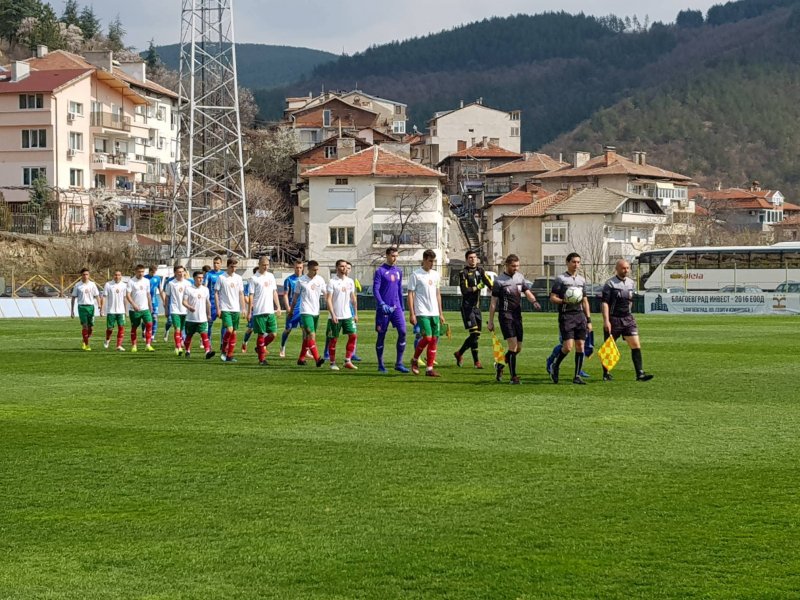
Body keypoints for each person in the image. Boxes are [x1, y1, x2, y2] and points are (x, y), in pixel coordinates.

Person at [487, 254, 541, 384]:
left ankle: (500, 365)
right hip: (505, 315)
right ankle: (513, 377)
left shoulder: (520, 277)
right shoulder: (499, 281)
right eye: (513, 266)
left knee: (518, 348)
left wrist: (534, 302)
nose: (516, 268)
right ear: (506, 265)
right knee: (513, 346)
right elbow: (493, 302)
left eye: (517, 266)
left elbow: (526, 291)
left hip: (517, 315)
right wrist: (490, 320)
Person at [601, 259, 654, 382]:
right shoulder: (610, 284)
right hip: (614, 318)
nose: (626, 270)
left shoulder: (631, 283)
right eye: (623, 268)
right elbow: (604, 303)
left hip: (628, 318)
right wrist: (606, 320)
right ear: (617, 269)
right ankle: (606, 373)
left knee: (636, 344)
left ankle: (640, 374)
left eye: (627, 268)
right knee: (609, 347)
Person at [549, 252, 593, 385]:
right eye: (573, 262)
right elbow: (552, 297)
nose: (576, 265)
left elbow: (585, 300)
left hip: (579, 316)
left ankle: (577, 376)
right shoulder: (560, 279)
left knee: (580, 346)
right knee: (568, 347)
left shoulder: (581, 280)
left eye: (578, 262)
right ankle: (555, 366)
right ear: (567, 263)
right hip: (566, 316)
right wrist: (564, 301)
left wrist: (589, 320)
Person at [408, 249, 446, 377]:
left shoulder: (435, 275)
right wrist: (412, 313)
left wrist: (440, 313)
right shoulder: (416, 275)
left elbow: (438, 294)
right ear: (424, 260)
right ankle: (414, 359)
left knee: (434, 339)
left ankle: (429, 369)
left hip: (434, 312)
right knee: (427, 337)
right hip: (422, 312)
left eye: (433, 261)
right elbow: (410, 294)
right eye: (430, 261)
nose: (432, 264)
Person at [454, 250, 494, 369]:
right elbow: (464, 290)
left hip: (476, 308)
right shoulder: (463, 272)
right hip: (467, 308)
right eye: (470, 258)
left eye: (475, 257)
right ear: (467, 259)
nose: (473, 259)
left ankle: (460, 353)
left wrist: (495, 289)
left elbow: (488, 281)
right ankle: (476, 361)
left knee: (476, 336)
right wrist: (478, 287)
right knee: (475, 332)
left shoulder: (480, 270)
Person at [373, 247, 410, 373]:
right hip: (383, 309)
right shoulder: (380, 271)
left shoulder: (398, 271)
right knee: (381, 335)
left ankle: (399, 363)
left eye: (396, 256)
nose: (395, 258)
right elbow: (376, 289)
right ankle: (380, 364)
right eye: (393, 256)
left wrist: (402, 307)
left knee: (403, 332)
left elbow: (399, 290)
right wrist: (382, 303)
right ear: (387, 256)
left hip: (396, 308)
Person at [288, 259, 326, 367]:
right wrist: (291, 310)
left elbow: (327, 294)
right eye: (314, 270)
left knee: (307, 337)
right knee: (311, 334)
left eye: (317, 270)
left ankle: (301, 359)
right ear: (308, 269)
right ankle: (317, 359)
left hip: (316, 312)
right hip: (305, 311)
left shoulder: (320, 280)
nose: (316, 272)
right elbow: (295, 297)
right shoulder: (301, 281)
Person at [325, 259, 359, 371]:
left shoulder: (350, 281)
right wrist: (333, 314)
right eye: (341, 266)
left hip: (347, 315)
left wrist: (355, 313)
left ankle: (347, 360)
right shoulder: (332, 282)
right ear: (337, 268)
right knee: (333, 339)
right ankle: (332, 362)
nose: (344, 268)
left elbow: (353, 298)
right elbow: (328, 299)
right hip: (336, 316)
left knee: (353, 335)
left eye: (345, 266)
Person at [248, 256, 282, 366]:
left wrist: (278, 306)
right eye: (263, 265)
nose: (266, 267)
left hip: (270, 310)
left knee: (273, 334)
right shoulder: (254, 278)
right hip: (259, 311)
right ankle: (262, 359)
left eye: (267, 265)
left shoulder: (271, 276)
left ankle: (260, 348)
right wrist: (249, 311)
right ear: (259, 265)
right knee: (261, 334)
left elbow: (274, 292)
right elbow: (251, 295)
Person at [215, 257, 247, 363]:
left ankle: (230, 355)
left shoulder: (238, 278)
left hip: (235, 309)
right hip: (225, 308)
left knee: (234, 332)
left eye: (235, 267)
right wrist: (218, 308)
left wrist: (243, 308)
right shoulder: (221, 278)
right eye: (232, 267)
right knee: (229, 329)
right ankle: (224, 349)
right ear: (227, 266)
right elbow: (216, 293)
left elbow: (241, 293)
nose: (234, 269)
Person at [182, 270, 216, 360]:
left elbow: (208, 303)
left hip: (202, 318)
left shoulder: (205, 289)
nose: (201, 279)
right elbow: (184, 301)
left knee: (204, 334)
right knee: (189, 336)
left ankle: (207, 352)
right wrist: (189, 307)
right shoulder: (188, 289)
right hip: (191, 318)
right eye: (199, 278)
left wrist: (208, 314)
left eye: (202, 278)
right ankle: (187, 351)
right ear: (194, 278)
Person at [126, 264, 155, 352]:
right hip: (134, 309)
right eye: (139, 272)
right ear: (135, 271)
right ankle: (134, 346)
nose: (141, 273)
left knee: (149, 324)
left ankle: (148, 345)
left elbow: (148, 294)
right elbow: (128, 295)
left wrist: (150, 306)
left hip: (145, 309)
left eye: (142, 272)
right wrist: (134, 304)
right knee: (134, 327)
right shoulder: (131, 281)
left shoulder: (146, 281)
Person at [71, 267, 101, 351]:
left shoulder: (92, 284)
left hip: (91, 307)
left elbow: (97, 296)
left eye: (87, 274)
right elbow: (73, 297)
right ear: (81, 275)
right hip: (82, 307)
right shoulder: (77, 285)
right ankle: (87, 344)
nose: (85, 276)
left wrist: (99, 305)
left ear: (89, 275)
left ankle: (84, 340)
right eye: (83, 274)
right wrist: (72, 311)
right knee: (85, 326)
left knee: (90, 327)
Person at [279, 260, 304, 358]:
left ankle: (305, 351)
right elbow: (285, 295)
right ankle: (282, 346)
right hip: (292, 308)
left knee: (305, 330)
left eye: (300, 267)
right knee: (288, 329)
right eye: (297, 267)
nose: (298, 269)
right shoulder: (289, 280)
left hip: (303, 309)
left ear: (303, 268)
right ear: (294, 268)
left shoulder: (305, 279)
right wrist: (288, 308)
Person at [165, 265, 190, 356]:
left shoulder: (188, 283)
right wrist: (166, 309)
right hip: (175, 309)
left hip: (185, 310)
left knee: (182, 328)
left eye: (182, 271)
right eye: (179, 272)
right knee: (177, 328)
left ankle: (178, 346)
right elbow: (167, 297)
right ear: (175, 273)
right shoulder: (171, 283)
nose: (181, 273)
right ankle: (179, 347)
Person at [102, 269, 127, 351]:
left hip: (121, 311)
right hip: (111, 311)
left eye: (119, 275)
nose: (117, 276)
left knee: (121, 328)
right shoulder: (108, 284)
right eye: (116, 275)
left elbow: (124, 298)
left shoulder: (124, 285)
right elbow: (104, 297)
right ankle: (107, 339)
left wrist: (126, 310)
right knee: (110, 328)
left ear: (121, 276)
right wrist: (102, 309)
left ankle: (119, 345)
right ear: (113, 276)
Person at [203, 255, 224, 346]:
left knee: (225, 324)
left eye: (217, 263)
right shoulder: (209, 274)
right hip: (211, 303)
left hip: (222, 303)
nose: (215, 265)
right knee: (209, 323)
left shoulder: (223, 275)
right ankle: (208, 343)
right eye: (214, 263)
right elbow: (204, 287)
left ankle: (223, 342)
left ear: (221, 264)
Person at [241, 266, 259, 353]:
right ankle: (245, 342)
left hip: (262, 309)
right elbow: (246, 297)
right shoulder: (249, 284)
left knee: (264, 329)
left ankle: (261, 347)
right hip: (253, 309)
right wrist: (251, 305)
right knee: (251, 329)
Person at [145, 265, 165, 341]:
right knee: (146, 319)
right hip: (145, 301)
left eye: (155, 272)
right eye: (152, 272)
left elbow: (160, 290)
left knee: (155, 318)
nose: (153, 274)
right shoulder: (145, 278)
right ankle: (144, 333)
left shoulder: (157, 278)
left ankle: (152, 335)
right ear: (149, 271)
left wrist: (164, 301)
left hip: (154, 301)